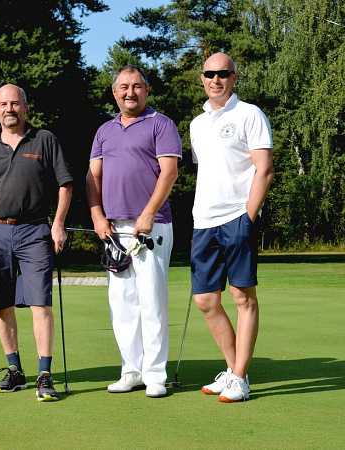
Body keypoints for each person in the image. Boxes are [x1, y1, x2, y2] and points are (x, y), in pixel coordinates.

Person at [0, 84, 73, 402]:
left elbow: (65, 184)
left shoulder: (44, 140)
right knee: (2, 304)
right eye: (3, 104)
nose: (9, 109)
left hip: (34, 231)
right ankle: (15, 371)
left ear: (25, 107)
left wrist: (58, 224)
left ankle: (44, 374)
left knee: (40, 303)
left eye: (15, 103)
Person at [86, 65, 182, 398]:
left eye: (137, 86)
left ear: (147, 90)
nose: (131, 92)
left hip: (151, 226)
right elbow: (93, 178)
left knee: (152, 300)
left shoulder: (161, 124)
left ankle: (155, 375)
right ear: (114, 92)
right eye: (124, 87)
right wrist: (97, 216)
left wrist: (148, 213)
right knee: (123, 302)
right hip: (115, 229)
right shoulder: (104, 130)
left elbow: (169, 173)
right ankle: (132, 369)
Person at [190, 52, 274, 402]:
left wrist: (247, 218)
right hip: (203, 221)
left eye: (223, 73)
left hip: (237, 218)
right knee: (205, 300)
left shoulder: (249, 114)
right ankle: (232, 369)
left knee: (242, 298)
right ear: (202, 78)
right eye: (210, 73)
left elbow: (264, 169)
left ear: (234, 77)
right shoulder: (197, 124)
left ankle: (240, 378)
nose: (216, 79)